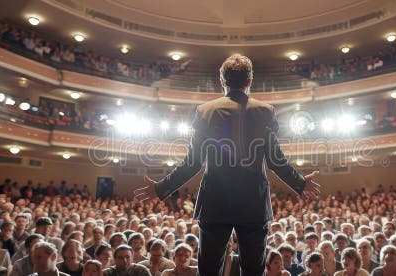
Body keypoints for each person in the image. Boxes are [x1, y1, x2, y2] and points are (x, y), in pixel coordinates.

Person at [134, 54, 321, 275]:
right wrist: (300, 183)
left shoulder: (205, 111)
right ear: (250, 81)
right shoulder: (265, 111)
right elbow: (275, 160)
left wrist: (160, 188)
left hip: (215, 203)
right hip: (253, 205)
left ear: (222, 80)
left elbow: (193, 163)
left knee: (210, 270)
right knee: (253, 271)